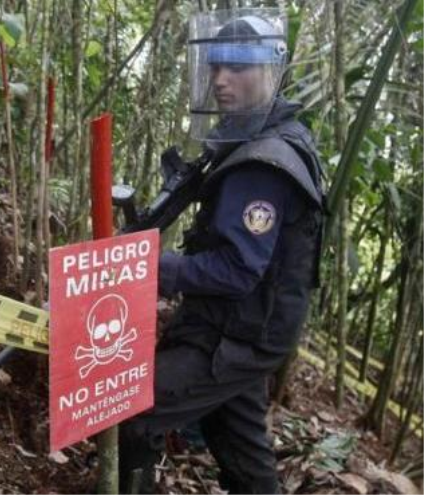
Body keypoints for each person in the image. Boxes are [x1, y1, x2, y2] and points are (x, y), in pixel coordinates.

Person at [116, 8, 325, 495]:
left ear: (269, 72)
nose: (221, 80)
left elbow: (236, 270)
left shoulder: (263, 163)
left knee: (131, 409)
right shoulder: (264, 137)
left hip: (240, 336)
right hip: (250, 326)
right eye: (215, 67)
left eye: (237, 67)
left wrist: (150, 269)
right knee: (238, 441)